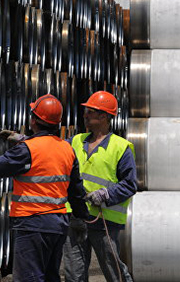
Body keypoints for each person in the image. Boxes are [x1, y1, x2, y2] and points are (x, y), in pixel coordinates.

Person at [0, 94, 89, 282]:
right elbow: (76, 191)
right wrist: (83, 217)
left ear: (34, 120)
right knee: (50, 277)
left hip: (32, 224)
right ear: (57, 123)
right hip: (58, 225)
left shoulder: (27, 149)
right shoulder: (67, 149)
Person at [63, 91, 137, 282]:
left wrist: (105, 194)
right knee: (74, 274)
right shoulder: (76, 141)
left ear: (103, 116)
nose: (85, 115)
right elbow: (51, 150)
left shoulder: (120, 147)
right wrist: (24, 142)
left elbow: (130, 184)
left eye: (89, 111)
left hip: (104, 219)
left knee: (113, 271)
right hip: (75, 216)